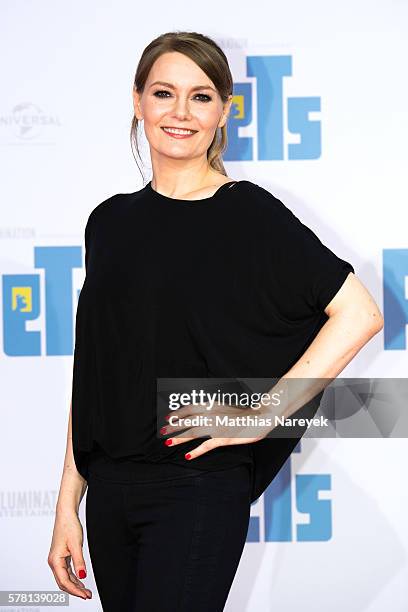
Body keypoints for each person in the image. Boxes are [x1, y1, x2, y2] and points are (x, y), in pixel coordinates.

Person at [47, 31, 384, 611]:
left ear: (223, 111)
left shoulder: (249, 212)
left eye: (201, 97)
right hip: (109, 492)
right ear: (137, 101)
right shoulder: (108, 222)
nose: (180, 113)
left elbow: (358, 312)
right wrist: (65, 508)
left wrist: (263, 415)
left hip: (195, 485)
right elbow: (95, 371)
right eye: (163, 93)